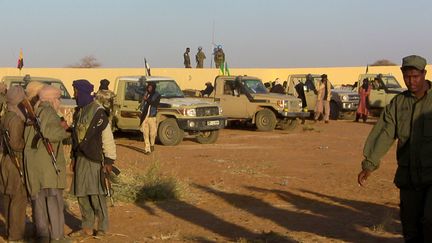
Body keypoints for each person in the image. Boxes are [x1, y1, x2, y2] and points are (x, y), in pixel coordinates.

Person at [357, 55, 432, 243]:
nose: (411, 81)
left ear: (424, 74)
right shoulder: (398, 104)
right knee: (410, 228)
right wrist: (369, 164)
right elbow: (384, 133)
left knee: (430, 222)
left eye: (416, 76)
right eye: (407, 77)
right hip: (409, 177)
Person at [70, 79, 117, 237]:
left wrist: (109, 160)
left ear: (82, 92)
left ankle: (102, 227)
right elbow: (76, 137)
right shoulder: (79, 111)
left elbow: (107, 138)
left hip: (95, 160)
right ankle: (87, 226)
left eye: (76, 92)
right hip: (81, 159)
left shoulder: (98, 112)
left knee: (96, 195)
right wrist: (73, 158)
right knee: (81, 194)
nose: (74, 95)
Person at [23, 85, 70, 242]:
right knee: (54, 201)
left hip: (36, 164)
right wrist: (64, 129)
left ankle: (43, 235)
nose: (59, 101)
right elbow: (50, 133)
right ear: (51, 99)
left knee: (39, 201)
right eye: (57, 98)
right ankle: (57, 237)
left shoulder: (35, 112)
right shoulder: (49, 112)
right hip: (48, 165)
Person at [0, 86, 27, 242]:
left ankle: (10, 232)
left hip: (5, 161)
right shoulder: (16, 119)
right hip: (15, 162)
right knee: (18, 199)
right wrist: (28, 144)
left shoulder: (6, 116)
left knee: (7, 197)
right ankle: (15, 236)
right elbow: (16, 144)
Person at [139, 82, 161, 155]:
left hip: (152, 116)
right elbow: (141, 104)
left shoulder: (157, 95)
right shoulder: (145, 94)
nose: (149, 88)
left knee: (152, 133)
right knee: (145, 133)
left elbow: (154, 103)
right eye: (148, 87)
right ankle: (147, 149)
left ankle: (152, 144)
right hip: (145, 117)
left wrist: (147, 99)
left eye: (151, 87)